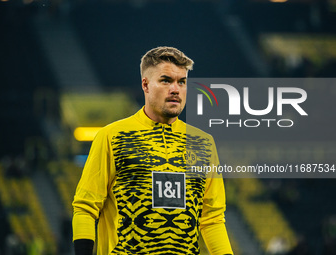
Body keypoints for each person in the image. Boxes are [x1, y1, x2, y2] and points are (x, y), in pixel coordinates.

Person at [72, 46, 233, 255]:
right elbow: (85, 208)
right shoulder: (112, 137)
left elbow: (212, 219)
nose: (175, 89)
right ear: (145, 85)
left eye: (182, 82)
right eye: (166, 80)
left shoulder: (203, 143)